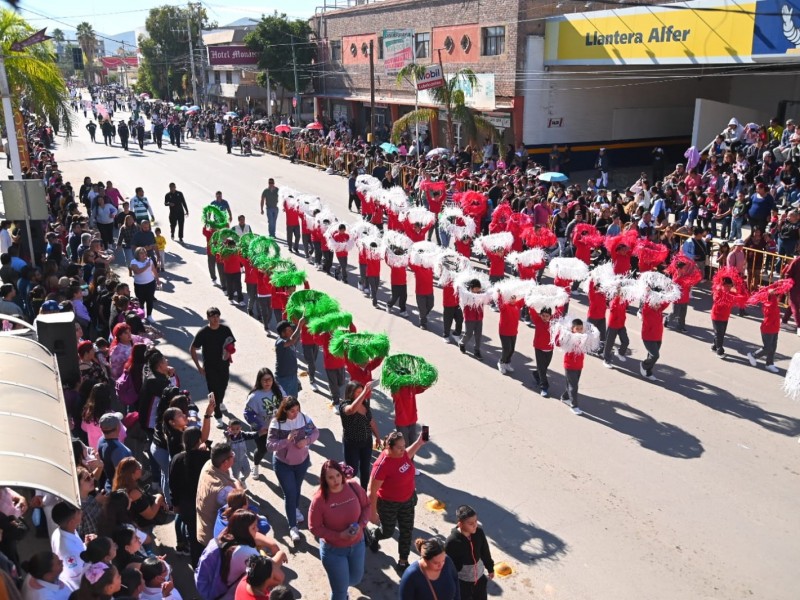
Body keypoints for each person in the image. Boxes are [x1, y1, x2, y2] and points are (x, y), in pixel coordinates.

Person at [364, 430, 427, 574]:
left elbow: (406, 456)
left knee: (406, 531)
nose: (403, 449)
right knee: (387, 531)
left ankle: (403, 561)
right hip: (388, 504)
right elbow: (371, 492)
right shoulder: (381, 465)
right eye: (399, 447)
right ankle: (375, 535)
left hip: (407, 501)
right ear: (388, 448)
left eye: (404, 445)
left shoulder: (402, 453)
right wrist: (372, 514)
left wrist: (419, 443)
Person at [308, 461, 370, 600]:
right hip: (333, 551)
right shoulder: (319, 500)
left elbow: (366, 506)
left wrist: (360, 526)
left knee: (355, 579)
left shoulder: (353, 486)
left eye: (337, 475)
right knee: (339, 591)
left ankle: (342, 584)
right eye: (330, 477)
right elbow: (314, 527)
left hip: (357, 544)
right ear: (325, 480)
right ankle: (341, 589)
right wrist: (339, 535)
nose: (336, 480)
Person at [267, 397, 319, 543]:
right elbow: (270, 446)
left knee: (297, 488)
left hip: (302, 462)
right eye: (292, 411)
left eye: (297, 410)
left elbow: (315, 432)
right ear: (284, 410)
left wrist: (307, 441)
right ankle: (293, 527)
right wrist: (287, 441)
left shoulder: (303, 418)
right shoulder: (276, 423)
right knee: (290, 493)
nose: (295, 413)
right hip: (283, 464)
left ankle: (294, 510)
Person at [191, 307, 236, 428]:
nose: (215, 319)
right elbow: (193, 349)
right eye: (213, 317)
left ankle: (220, 402)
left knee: (223, 385)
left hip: (223, 364)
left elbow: (231, 342)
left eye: (217, 316)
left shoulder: (225, 329)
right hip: (210, 367)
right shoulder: (203, 332)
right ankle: (218, 416)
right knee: (214, 391)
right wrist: (199, 367)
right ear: (208, 318)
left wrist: (229, 352)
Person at [196, 442, 243, 548]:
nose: (234, 456)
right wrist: (238, 484)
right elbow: (242, 503)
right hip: (213, 538)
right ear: (225, 462)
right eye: (232, 455)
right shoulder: (224, 490)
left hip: (202, 526)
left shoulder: (209, 464)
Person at [445, 505, 495, 600]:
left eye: (476, 521)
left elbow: (485, 551)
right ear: (460, 524)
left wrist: (490, 567)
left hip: (480, 579)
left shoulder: (479, 532)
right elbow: (448, 566)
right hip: (463, 583)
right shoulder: (452, 542)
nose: (475, 525)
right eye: (471, 523)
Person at [244, 368, 284, 477]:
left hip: (278, 428)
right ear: (259, 381)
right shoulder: (254, 396)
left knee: (280, 450)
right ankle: (256, 465)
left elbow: (286, 403)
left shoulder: (278, 389)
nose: (267, 382)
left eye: (269, 379)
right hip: (262, 430)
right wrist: (260, 427)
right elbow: (248, 414)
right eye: (264, 380)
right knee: (262, 450)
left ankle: (282, 475)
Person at [340, 381, 381, 490]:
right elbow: (352, 410)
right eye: (358, 392)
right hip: (352, 443)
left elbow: (371, 421)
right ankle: (345, 491)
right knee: (351, 471)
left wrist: (377, 437)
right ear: (350, 393)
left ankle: (363, 490)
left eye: (361, 391)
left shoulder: (365, 404)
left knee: (365, 468)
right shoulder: (344, 405)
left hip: (366, 442)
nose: (360, 394)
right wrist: (365, 392)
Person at [50, 502, 86, 590]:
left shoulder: (61, 531)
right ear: (71, 522)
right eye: (78, 512)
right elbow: (78, 575)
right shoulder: (69, 551)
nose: (81, 512)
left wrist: (86, 545)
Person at [275, 319, 303, 398]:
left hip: (292, 376)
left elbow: (294, 337)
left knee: (293, 400)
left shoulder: (288, 340)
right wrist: (300, 324)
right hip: (283, 378)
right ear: (283, 333)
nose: (291, 331)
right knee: (284, 401)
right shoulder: (280, 342)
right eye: (289, 330)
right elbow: (293, 339)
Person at [129, 247, 159, 323]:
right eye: (141, 253)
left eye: (145, 252)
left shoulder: (149, 260)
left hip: (150, 284)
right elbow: (137, 272)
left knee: (149, 300)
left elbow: (154, 270)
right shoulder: (133, 262)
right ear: (137, 254)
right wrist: (146, 265)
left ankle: (149, 316)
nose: (144, 254)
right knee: (140, 301)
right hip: (139, 285)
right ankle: (141, 315)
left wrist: (158, 280)